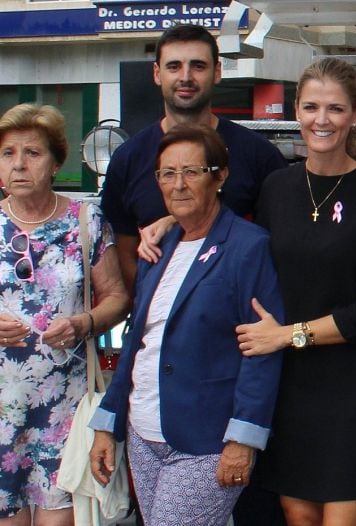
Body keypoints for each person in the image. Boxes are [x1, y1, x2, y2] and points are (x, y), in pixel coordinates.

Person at [233, 57, 356, 526]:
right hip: (289, 388)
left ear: (355, 114)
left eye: (334, 108)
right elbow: (224, 232)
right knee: (299, 516)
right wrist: (166, 224)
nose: (321, 120)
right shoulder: (276, 188)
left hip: (355, 389)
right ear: (296, 110)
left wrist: (288, 335)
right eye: (311, 107)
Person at [87, 123, 284, 526]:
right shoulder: (159, 245)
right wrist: (108, 424)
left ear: (220, 176)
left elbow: (262, 349)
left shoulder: (248, 246)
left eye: (192, 172)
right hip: (143, 431)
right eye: (167, 174)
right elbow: (139, 341)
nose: (178, 184)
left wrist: (243, 438)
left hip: (206, 440)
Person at [0, 103, 128, 526]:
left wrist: (82, 323)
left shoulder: (85, 221)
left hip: (64, 406)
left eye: (32, 153)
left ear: (56, 163)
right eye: (8, 154)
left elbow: (116, 297)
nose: (19, 164)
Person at [101, 24, 287, 292]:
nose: (185, 77)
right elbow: (121, 251)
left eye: (198, 66)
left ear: (218, 72)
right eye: (174, 66)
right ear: (157, 73)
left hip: (240, 323)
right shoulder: (128, 159)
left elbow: (276, 244)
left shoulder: (259, 155)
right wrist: (152, 307)